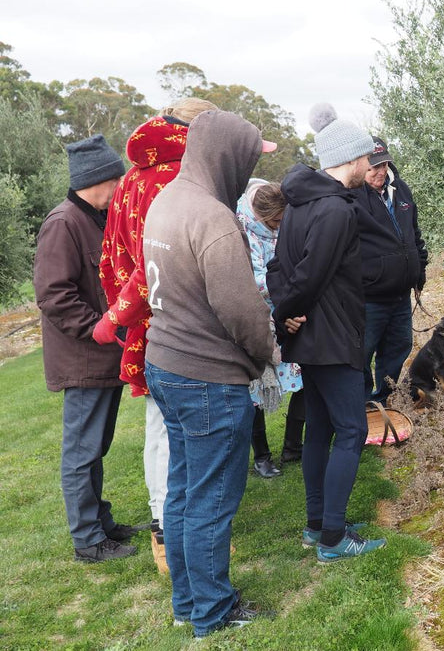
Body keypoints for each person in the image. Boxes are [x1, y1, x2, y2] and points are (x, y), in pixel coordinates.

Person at [143, 110, 278, 637]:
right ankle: (213, 612)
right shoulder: (214, 219)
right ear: (228, 156)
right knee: (211, 501)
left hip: (166, 366)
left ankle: (186, 602)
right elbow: (241, 312)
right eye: (249, 156)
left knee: (181, 490)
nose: (249, 168)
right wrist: (267, 351)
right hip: (205, 379)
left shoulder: (166, 200)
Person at [93, 97, 216, 571]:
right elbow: (158, 265)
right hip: (181, 324)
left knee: (160, 426)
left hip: (147, 323)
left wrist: (121, 316)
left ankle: (167, 526)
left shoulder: (129, 182)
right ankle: (174, 532)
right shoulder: (175, 182)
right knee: (183, 430)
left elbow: (109, 259)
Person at [267, 102, 387, 563]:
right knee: (352, 430)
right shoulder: (336, 210)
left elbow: (280, 269)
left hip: (310, 337)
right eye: (366, 160)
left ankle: (318, 526)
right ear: (352, 160)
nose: (369, 167)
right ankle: (335, 539)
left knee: (318, 428)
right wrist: (287, 312)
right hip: (334, 337)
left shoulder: (299, 204)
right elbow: (311, 276)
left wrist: (286, 312)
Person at [33, 134, 137, 563]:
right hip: (83, 358)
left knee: (96, 447)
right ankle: (88, 541)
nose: (122, 185)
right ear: (99, 179)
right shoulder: (63, 224)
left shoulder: (95, 217)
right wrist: (99, 329)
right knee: (81, 452)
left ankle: (99, 520)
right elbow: (53, 294)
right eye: (117, 178)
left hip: (102, 356)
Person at [235, 178, 306, 478]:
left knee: (304, 376)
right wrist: (292, 287)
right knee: (257, 386)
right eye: (276, 222)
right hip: (258, 316)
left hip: (287, 309)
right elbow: (253, 280)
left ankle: (293, 444)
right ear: (263, 216)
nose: (279, 226)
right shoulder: (242, 230)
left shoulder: (282, 222)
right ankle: (261, 455)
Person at [352, 137, 428, 404]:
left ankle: (383, 402)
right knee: (361, 355)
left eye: (384, 164)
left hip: (401, 295)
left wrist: (420, 271)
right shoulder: (351, 197)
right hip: (368, 298)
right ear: (360, 165)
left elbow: (414, 235)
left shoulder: (401, 190)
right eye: (373, 167)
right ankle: (359, 409)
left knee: (397, 349)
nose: (380, 171)